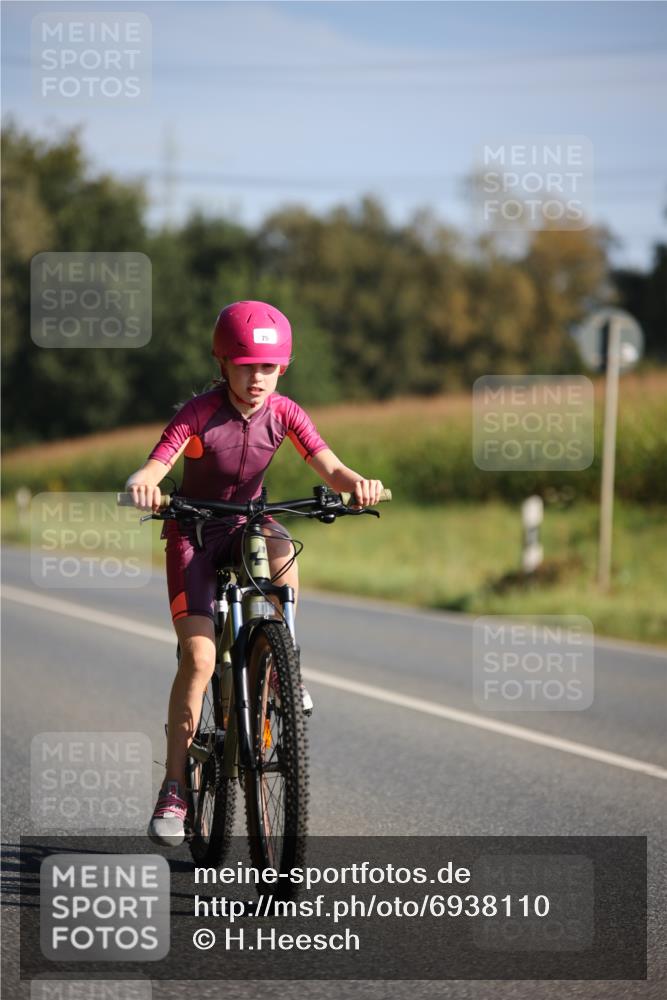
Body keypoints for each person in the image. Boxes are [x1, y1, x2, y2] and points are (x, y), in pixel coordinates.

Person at [125, 300, 383, 847]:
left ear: (282, 368)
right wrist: (144, 482)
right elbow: (158, 462)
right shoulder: (198, 413)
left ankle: (282, 664)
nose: (257, 377)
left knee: (285, 551)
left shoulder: (286, 413)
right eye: (245, 365)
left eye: (268, 367)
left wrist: (356, 483)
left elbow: (328, 465)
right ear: (223, 363)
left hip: (248, 523)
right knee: (198, 658)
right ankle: (174, 785)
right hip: (194, 531)